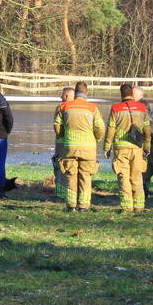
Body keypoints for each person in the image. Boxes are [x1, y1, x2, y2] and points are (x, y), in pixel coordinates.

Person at [55, 81, 105, 212]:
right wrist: (96, 139)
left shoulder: (64, 107)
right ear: (86, 93)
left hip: (70, 147)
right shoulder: (93, 108)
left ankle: (71, 205)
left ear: (75, 92)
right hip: (88, 148)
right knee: (85, 176)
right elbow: (100, 128)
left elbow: (57, 126)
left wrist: (63, 136)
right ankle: (83, 206)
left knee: (71, 176)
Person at [103, 83, 152, 212]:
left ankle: (127, 207)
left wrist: (107, 147)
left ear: (121, 94)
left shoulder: (115, 108)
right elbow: (147, 130)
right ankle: (139, 206)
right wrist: (147, 147)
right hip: (137, 148)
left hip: (121, 148)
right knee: (137, 177)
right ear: (132, 94)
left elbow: (110, 129)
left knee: (123, 177)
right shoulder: (142, 108)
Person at [52, 87, 75, 201]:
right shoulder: (78, 108)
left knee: (60, 168)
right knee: (72, 169)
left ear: (66, 96)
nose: (60, 97)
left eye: (62, 95)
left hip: (61, 144)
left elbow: (57, 126)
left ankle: (60, 194)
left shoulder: (61, 107)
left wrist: (61, 135)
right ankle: (72, 193)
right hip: (74, 144)